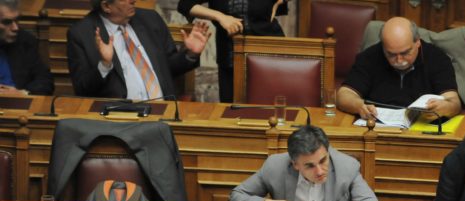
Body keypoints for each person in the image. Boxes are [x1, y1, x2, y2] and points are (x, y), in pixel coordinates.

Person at [228, 125, 380, 201]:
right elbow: (236, 195)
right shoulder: (275, 166)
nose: (320, 171)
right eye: (309, 166)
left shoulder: (347, 167)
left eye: (323, 161)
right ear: (295, 164)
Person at [67, 0, 210, 99]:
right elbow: (82, 89)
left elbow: (169, 68)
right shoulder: (82, 34)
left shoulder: (150, 19)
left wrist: (190, 53)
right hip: (120, 121)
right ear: (106, 6)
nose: (134, 0)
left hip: (164, 112)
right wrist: (104, 65)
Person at [337, 16, 461, 121]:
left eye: (406, 53)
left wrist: (444, 107)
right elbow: (344, 95)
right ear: (383, 46)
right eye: (391, 54)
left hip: (422, 128)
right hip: (377, 127)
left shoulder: (437, 58)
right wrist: (358, 105)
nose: (399, 61)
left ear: (417, 42)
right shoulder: (370, 56)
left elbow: (454, 102)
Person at [177, 0, 287, 103]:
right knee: (232, 112)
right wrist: (220, 17)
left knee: (270, 110)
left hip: (269, 55)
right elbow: (185, 5)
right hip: (229, 57)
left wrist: (280, 1)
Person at [0, 0, 53, 95]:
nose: (15, 28)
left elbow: (45, 81)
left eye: (16, 20)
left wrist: (22, 93)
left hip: (18, 105)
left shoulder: (26, 41)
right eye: (7, 22)